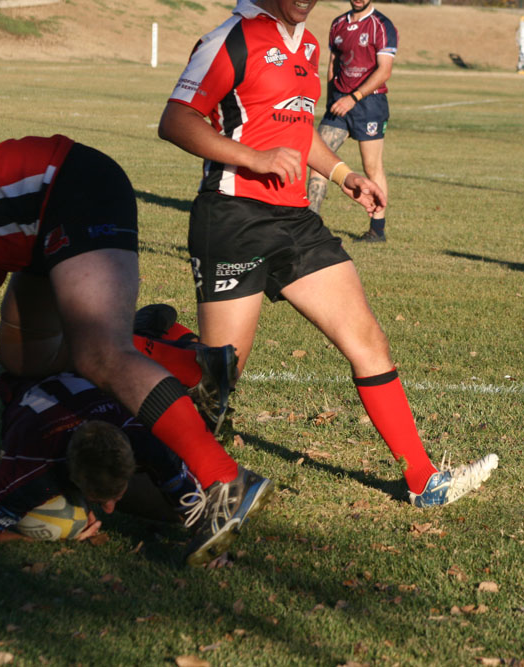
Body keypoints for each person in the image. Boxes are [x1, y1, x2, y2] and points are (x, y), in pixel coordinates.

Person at [0, 135, 272, 565]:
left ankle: (225, 480)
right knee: (23, 356)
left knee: (100, 353)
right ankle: (180, 359)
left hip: (66, 187)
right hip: (39, 219)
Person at [157, 0, 497, 509]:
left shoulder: (311, 44)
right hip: (233, 219)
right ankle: (148, 352)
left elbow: (298, 130)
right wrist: (254, 158)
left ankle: (423, 479)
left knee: (367, 340)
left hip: (297, 223)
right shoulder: (231, 38)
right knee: (218, 379)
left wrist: (344, 175)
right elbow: (176, 120)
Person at [0, 371, 208, 555]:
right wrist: (32, 538)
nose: (109, 510)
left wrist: (209, 543)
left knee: (174, 510)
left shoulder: (146, 442)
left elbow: (198, 510)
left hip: (73, 377)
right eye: (99, 499)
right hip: (28, 373)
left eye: (116, 494)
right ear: (71, 477)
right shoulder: (30, 472)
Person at [306, 0, 398, 243]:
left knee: (372, 167)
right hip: (339, 104)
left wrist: (354, 97)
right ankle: (310, 225)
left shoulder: (382, 25)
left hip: (369, 104)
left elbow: (384, 71)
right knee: (318, 161)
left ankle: (377, 230)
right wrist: (331, 100)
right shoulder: (338, 24)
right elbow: (333, 65)